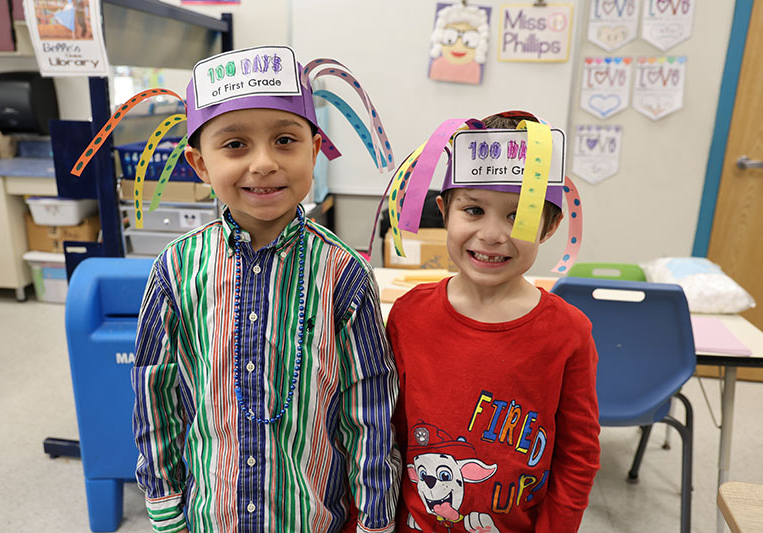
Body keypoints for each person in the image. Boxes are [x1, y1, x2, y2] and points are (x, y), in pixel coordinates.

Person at [72, 46, 401, 532]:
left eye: (286, 140)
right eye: (235, 145)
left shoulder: (343, 273)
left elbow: (367, 406)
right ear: (199, 164)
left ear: (313, 152)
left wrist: (375, 517)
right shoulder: (177, 269)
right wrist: (163, 499)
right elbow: (154, 390)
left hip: (308, 517)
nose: (264, 163)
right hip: (211, 515)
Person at [384, 111, 600, 532]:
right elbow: (385, 432)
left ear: (550, 225)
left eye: (517, 216)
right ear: (445, 212)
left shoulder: (569, 332)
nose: (492, 234)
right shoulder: (408, 315)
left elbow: (579, 453)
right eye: (474, 210)